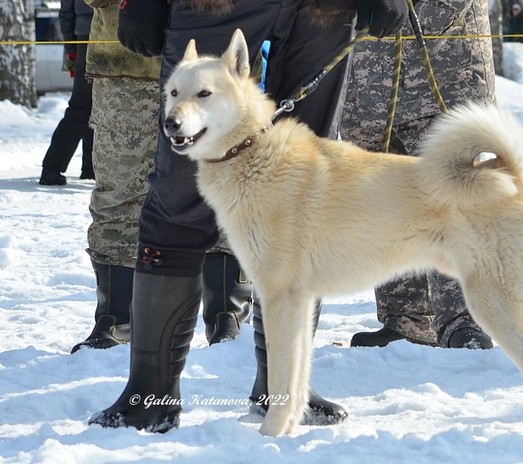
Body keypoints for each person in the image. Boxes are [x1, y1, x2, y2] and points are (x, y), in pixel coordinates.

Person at [88, 0, 408, 434]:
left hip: (324, 9)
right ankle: (150, 395)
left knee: (303, 189)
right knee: (178, 197)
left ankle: (282, 392)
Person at [71, 1, 252, 354]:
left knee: (227, 191)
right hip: (129, 59)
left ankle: (227, 314)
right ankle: (116, 318)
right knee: (120, 193)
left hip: (220, 59)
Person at [341, 0, 494, 350]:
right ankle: (406, 320)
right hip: (366, 83)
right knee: (385, 200)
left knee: (451, 200)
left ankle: (465, 321)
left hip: (443, 64)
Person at [39, 0, 94, 186]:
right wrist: (71, 49)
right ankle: (52, 169)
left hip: (87, 36)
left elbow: (66, 12)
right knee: (82, 105)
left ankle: (90, 168)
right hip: (89, 37)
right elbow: (66, 12)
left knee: (95, 105)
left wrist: (71, 48)